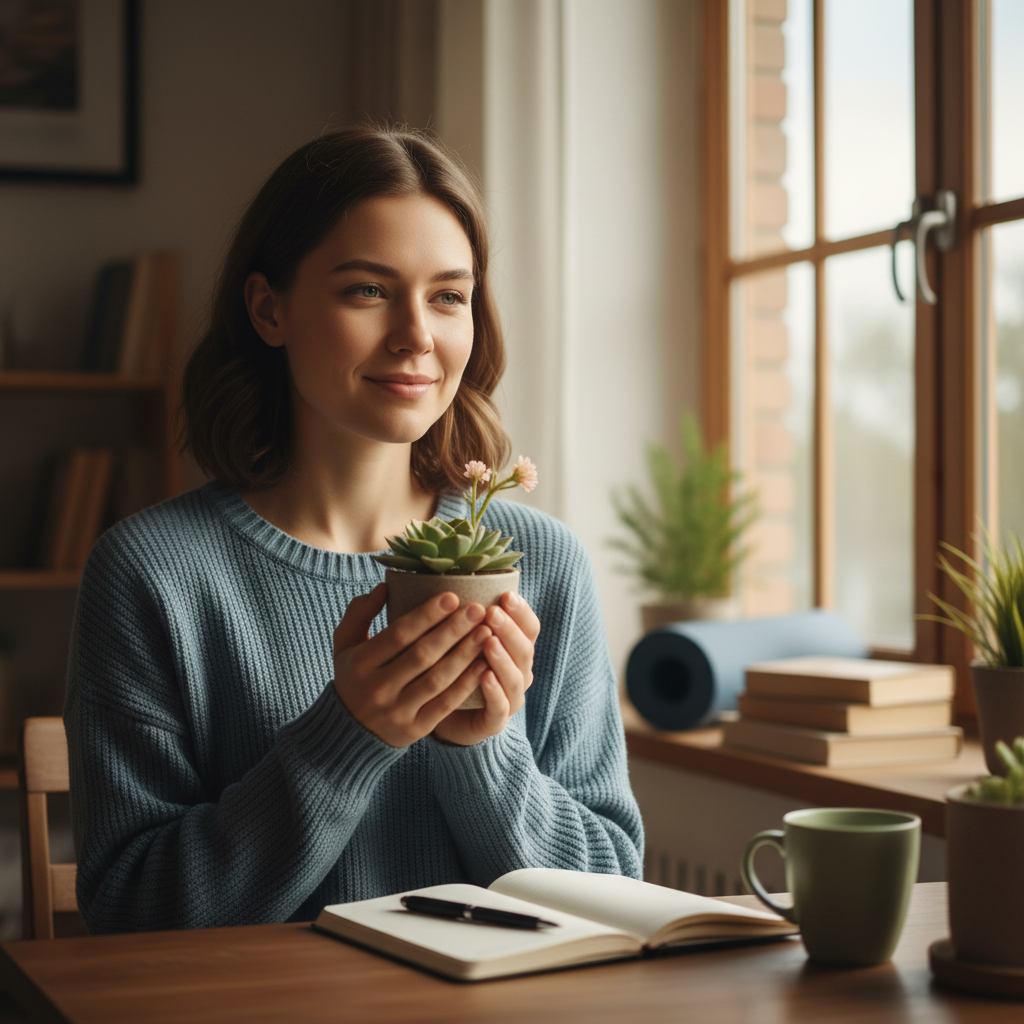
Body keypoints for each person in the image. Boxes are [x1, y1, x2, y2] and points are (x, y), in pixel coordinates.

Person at [64, 124, 643, 934]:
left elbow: (616, 891)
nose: (417, 335)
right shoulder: (151, 573)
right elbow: (128, 914)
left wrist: (482, 752)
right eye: (367, 290)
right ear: (269, 309)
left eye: (448, 295)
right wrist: (350, 733)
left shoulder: (542, 563)